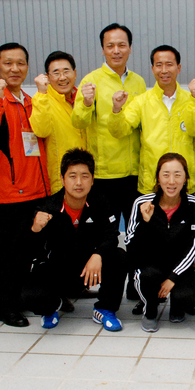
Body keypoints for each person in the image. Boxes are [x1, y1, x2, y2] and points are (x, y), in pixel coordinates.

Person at [71, 23, 147, 303]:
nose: (116, 50)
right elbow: (78, 122)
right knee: (104, 236)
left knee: (138, 235)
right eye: (110, 45)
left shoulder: (139, 82)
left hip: (134, 173)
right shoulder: (91, 81)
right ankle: (103, 290)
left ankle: (137, 287)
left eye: (121, 45)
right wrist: (85, 102)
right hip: (103, 175)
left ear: (130, 48)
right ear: (103, 49)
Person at [0, 42, 50, 328]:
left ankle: (19, 297)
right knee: (7, 252)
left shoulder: (30, 101)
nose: (14, 69)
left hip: (35, 190)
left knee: (26, 252)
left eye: (20, 63)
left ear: (27, 67)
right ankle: (5, 305)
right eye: (8, 63)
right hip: (7, 193)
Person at [20, 148, 127, 331]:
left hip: (88, 268)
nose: (78, 182)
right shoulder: (48, 208)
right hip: (59, 269)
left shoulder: (101, 202)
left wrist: (98, 255)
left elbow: (111, 235)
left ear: (92, 180)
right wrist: (35, 229)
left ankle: (105, 309)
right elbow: (29, 250)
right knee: (30, 295)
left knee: (118, 256)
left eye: (84, 176)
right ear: (62, 179)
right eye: (72, 176)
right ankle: (54, 304)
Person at [108, 45, 195, 195]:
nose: (164, 70)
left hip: (183, 184)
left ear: (178, 68)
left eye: (169, 64)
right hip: (151, 184)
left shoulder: (191, 100)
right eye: (159, 65)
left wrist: (188, 163)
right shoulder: (142, 101)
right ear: (152, 69)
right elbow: (119, 131)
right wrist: (116, 110)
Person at [126, 153, 195, 333]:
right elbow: (131, 244)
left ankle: (177, 305)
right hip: (151, 266)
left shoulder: (194, 205)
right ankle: (150, 309)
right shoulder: (142, 203)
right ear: (158, 178)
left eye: (177, 175)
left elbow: (193, 247)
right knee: (147, 276)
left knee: (187, 297)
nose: (171, 181)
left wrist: (173, 277)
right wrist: (145, 222)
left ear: (185, 178)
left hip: (179, 267)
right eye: (166, 175)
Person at [30, 50, 86, 194]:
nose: (62, 77)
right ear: (47, 77)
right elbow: (41, 131)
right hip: (59, 181)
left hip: (86, 178)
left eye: (66, 71)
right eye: (56, 73)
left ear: (75, 73)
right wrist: (42, 94)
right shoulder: (42, 99)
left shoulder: (83, 99)